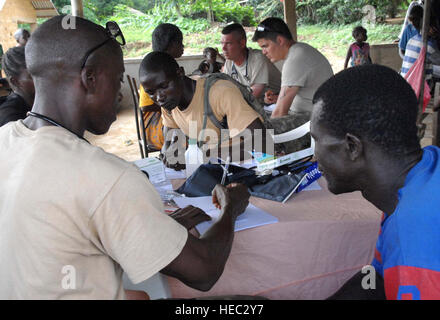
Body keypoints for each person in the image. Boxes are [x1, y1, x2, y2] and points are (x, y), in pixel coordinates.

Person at [0, 15, 251, 299]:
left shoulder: (6, 140)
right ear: (90, 78)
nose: (120, 93)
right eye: (118, 79)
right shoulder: (107, 177)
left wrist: (151, 227)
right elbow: (205, 270)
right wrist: (231, 207)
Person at [311, 64, 440, 300]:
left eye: (317, 140)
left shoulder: (414, 237)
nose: (314, 156)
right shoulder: (422, 175)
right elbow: (376, 279)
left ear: (352, 147)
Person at [139, 51, 272, 169]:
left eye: (164, 86)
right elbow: (170, 143)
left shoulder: (219, 93)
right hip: (214, 172)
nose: (159, 97)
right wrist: (171, 154)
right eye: (151, 92)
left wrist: (201, 156)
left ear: (180, 73)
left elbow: (263, 143)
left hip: (247, 167)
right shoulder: (169, 105)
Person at [252, 17, 333, 119]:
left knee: (256, 132)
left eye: (265, 46)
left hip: (313, 120)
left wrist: (267, 133)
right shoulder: (299, 50)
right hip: (314, 113)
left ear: (280, 40)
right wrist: (277, 98)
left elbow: (279, 113)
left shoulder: (295, 59)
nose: (263, 52)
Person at [138, 23, 185, 151]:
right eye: (180, 42)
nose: (183, 46)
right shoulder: (153, 68)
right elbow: (144, 106)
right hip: (156, 128)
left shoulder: (164, 66)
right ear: (171, 44)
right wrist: (171, 105)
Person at [221, 23, 281, 103]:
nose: (223, 48)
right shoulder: (229, 62)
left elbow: (253, 95)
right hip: (253, 104)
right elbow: (226, 89)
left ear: (242, 43)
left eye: (228, 43)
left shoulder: (258, 58)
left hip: (275, 102)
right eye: (222, 43)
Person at [400, 12, 440, 84]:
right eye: (434, 27)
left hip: (406, 80)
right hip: (418, 84)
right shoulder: (429, 46)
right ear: (430, 27)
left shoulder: (412, 40)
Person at [0, 46, 34, 127]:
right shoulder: (10, 117)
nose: (41, 79)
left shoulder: (39, 103)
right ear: (15, 81)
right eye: (32, 76)